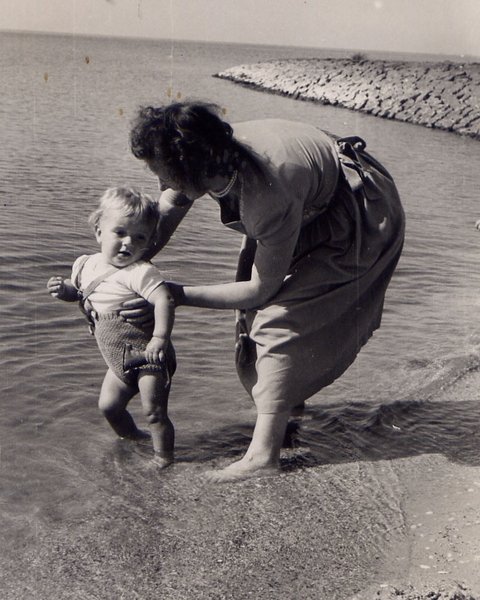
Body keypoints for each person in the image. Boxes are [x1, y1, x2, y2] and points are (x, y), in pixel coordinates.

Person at [124, 101, 405, 482]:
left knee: (278, 320)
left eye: (158, 170)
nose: (155, 178)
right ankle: (289, 410)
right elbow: (173, 200)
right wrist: (124, 265)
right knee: (252, 318)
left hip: (361, 210)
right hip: (309, 197)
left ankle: (264, 455)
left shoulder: (265, 193)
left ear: (188, 166)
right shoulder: (208, 150)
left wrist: (175, 294)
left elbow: (260, 289)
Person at [47, 187, 176, 469]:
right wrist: (63, 290)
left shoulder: (140, 271)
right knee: (109, 406)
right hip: (118, 358)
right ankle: (133, 441)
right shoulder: (85, 265)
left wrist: (159, 339)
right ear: (98, 232)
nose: (128, 243)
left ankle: (163, 458)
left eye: (139, 238)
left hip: (148, 356)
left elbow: (164, 300)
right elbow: (79, 293)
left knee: (154, 411)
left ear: (148, 241)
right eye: (119, 233)